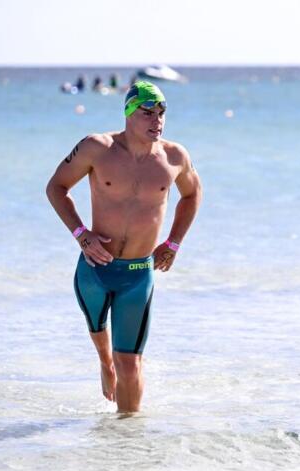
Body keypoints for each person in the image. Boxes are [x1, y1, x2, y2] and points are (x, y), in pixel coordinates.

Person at [46, 81, 202, 412]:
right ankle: (104, 363)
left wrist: (173, 243)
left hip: (138, 275)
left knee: (130, 365)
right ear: (129, 113)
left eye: (161, 113)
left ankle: (127, 448)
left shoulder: (174, 156)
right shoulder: (96, 148)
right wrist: (81, 234)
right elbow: (56, 187)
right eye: (148, 112)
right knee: (99, 333)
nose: (156, 120)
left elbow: (192, 195)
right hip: (95, 268)